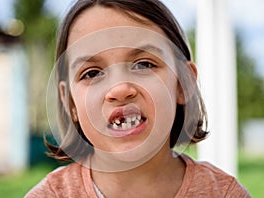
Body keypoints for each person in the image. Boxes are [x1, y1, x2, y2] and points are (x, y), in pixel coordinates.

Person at [25, 0, 250, 197]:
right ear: (70, 102)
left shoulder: (225, 194)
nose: (120, 89)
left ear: (183, 83)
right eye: (92, 73)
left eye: (143, 64)